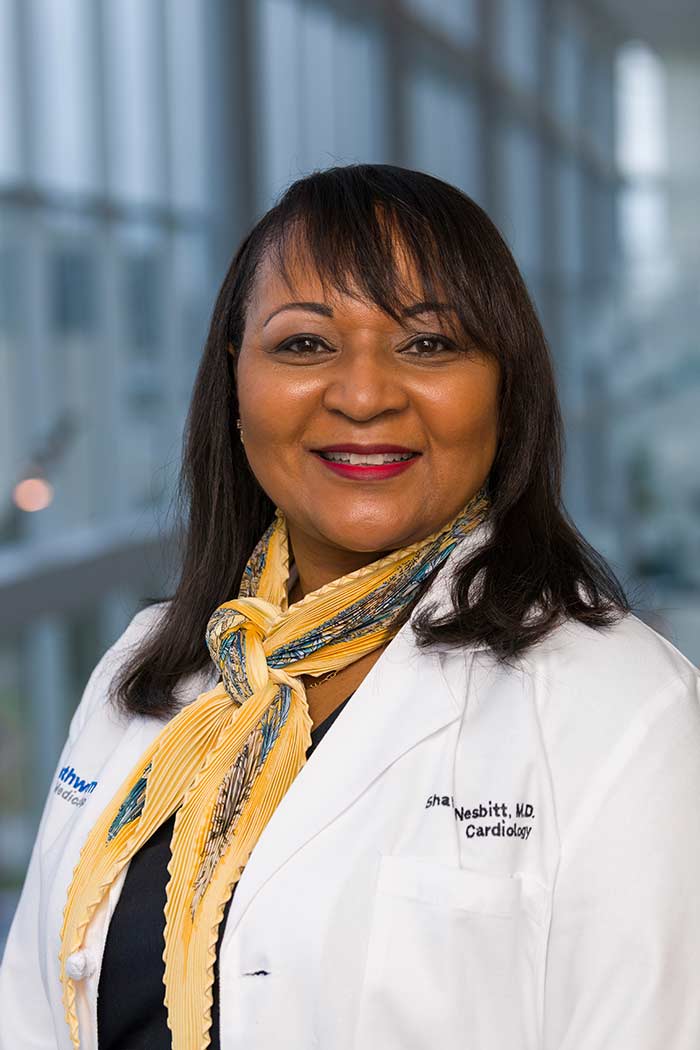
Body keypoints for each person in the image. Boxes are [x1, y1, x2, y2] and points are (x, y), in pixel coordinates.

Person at [1, 163, 698, 1050]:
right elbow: (30, 1013)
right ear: (236, 380)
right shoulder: (149, 666)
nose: (364, 395)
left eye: (429, 345)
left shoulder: (623, 707)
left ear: (504, 385)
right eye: (303, 345)